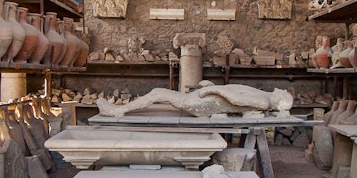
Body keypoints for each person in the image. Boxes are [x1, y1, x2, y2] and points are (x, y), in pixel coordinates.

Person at [97, 81, 293, 118]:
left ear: (282, 100)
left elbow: (235, 99)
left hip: (203, 104)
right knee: (159, 93)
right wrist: (211, 86)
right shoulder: (262, 95)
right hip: (207, 98)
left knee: (158, 93)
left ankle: (116, 111)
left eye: (285, 93)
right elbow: (233, 92)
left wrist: (213, 89)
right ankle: (119, 109)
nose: (283, 90)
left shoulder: (264, 101)